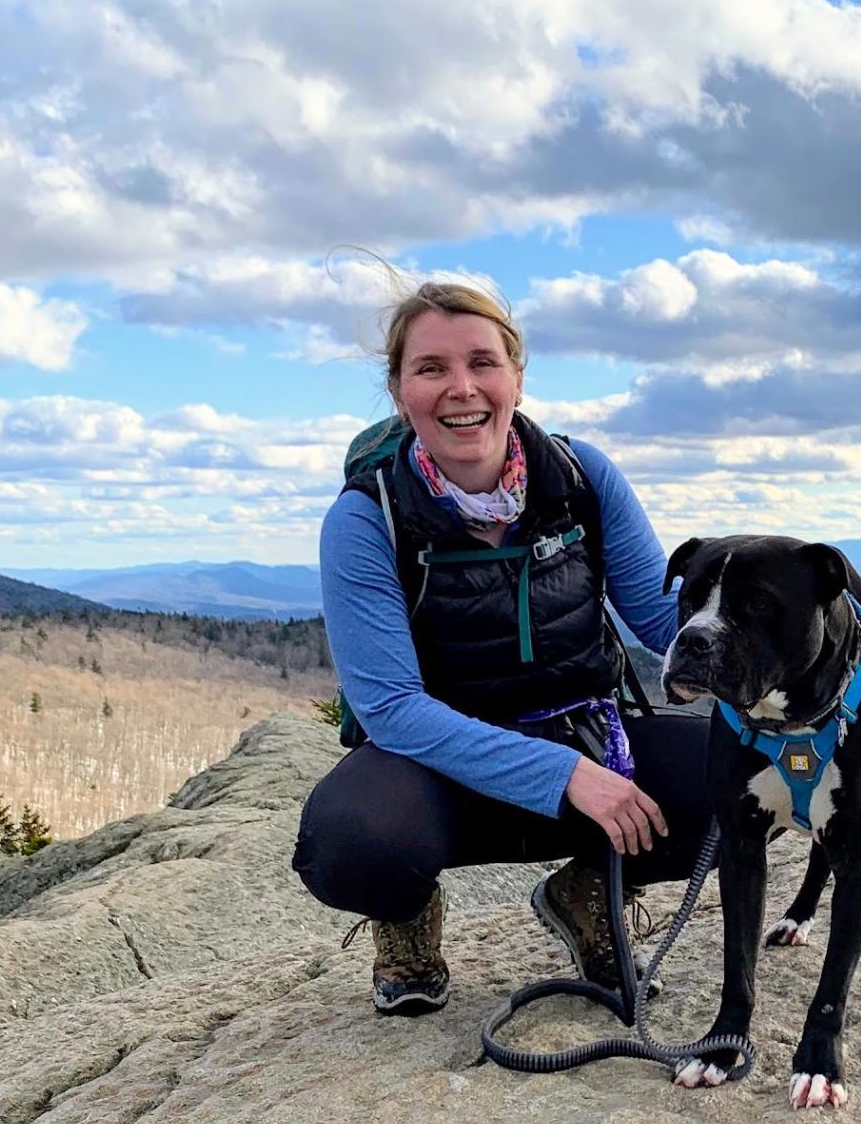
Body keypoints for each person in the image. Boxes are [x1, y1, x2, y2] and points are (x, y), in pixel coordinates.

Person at [292, 277, 713, 1015]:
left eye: (482, 362)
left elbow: (658, 619)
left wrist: (785, 631)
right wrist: (566, 776)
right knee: (354, 841)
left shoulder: (580, 478)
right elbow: (389, 707)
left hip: (587, 734)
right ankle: (407, 913)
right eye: (431, 368)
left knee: (743, 782)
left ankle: (587, 894)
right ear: (399, 391)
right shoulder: (369, 518)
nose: (462, 389)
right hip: (437, 769)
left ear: (516, 377)